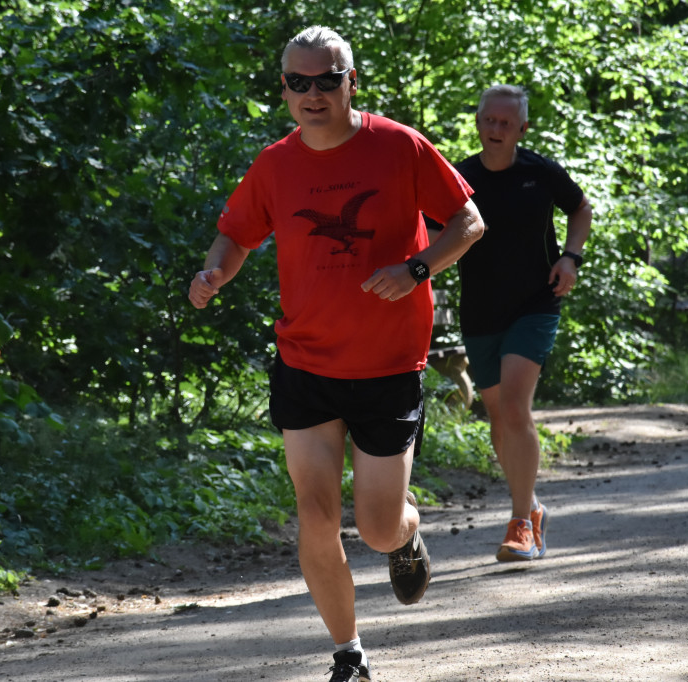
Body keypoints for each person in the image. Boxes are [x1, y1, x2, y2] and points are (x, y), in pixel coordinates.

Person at [188, 26, 484, 682]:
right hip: (306, 362)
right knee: (315, 516)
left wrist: (416, 268)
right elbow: (235, 236)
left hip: (388, 365)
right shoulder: (275, 164)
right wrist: (214, 273)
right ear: (285, 90)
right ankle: (348, 652)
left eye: (327, 80)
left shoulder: (399, 146)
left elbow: (468, 222)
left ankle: (405, 534)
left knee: (376, 528)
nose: (313, 93)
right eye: (300, 82)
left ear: (352, 82)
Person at [449, 84, 593, 562]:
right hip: (481, 311)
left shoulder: (540, 172)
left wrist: (570, 257)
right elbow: (432, 233)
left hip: (536, 302)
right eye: (489, 120)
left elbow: (580, 207)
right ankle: (531, 507)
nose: (495, 129)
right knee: (498, 421)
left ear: (521, 129)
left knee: (514, 406)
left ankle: (519, 527)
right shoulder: (460, 178)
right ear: (478, 121)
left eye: (505, 123)